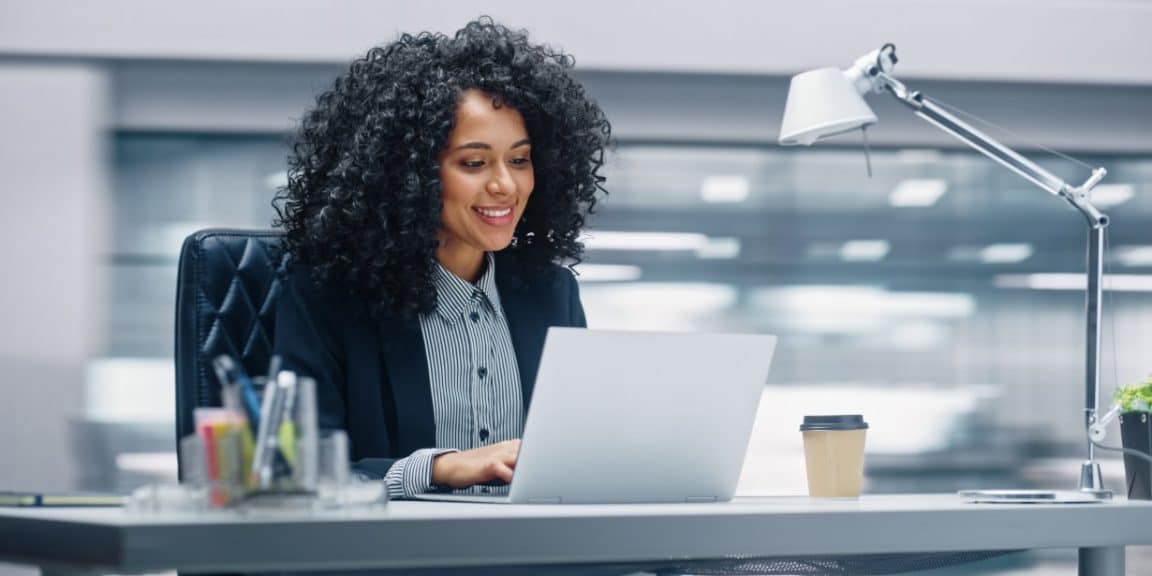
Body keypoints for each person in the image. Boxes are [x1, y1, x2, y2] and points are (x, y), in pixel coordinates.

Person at [272, 17, 612, 499]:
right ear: (407, 174)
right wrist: (438, 468)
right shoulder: (327, 296)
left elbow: (579, 455)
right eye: (474, 163)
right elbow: (295, 471)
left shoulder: (552, 295)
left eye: (519, 160)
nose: (505, 185)